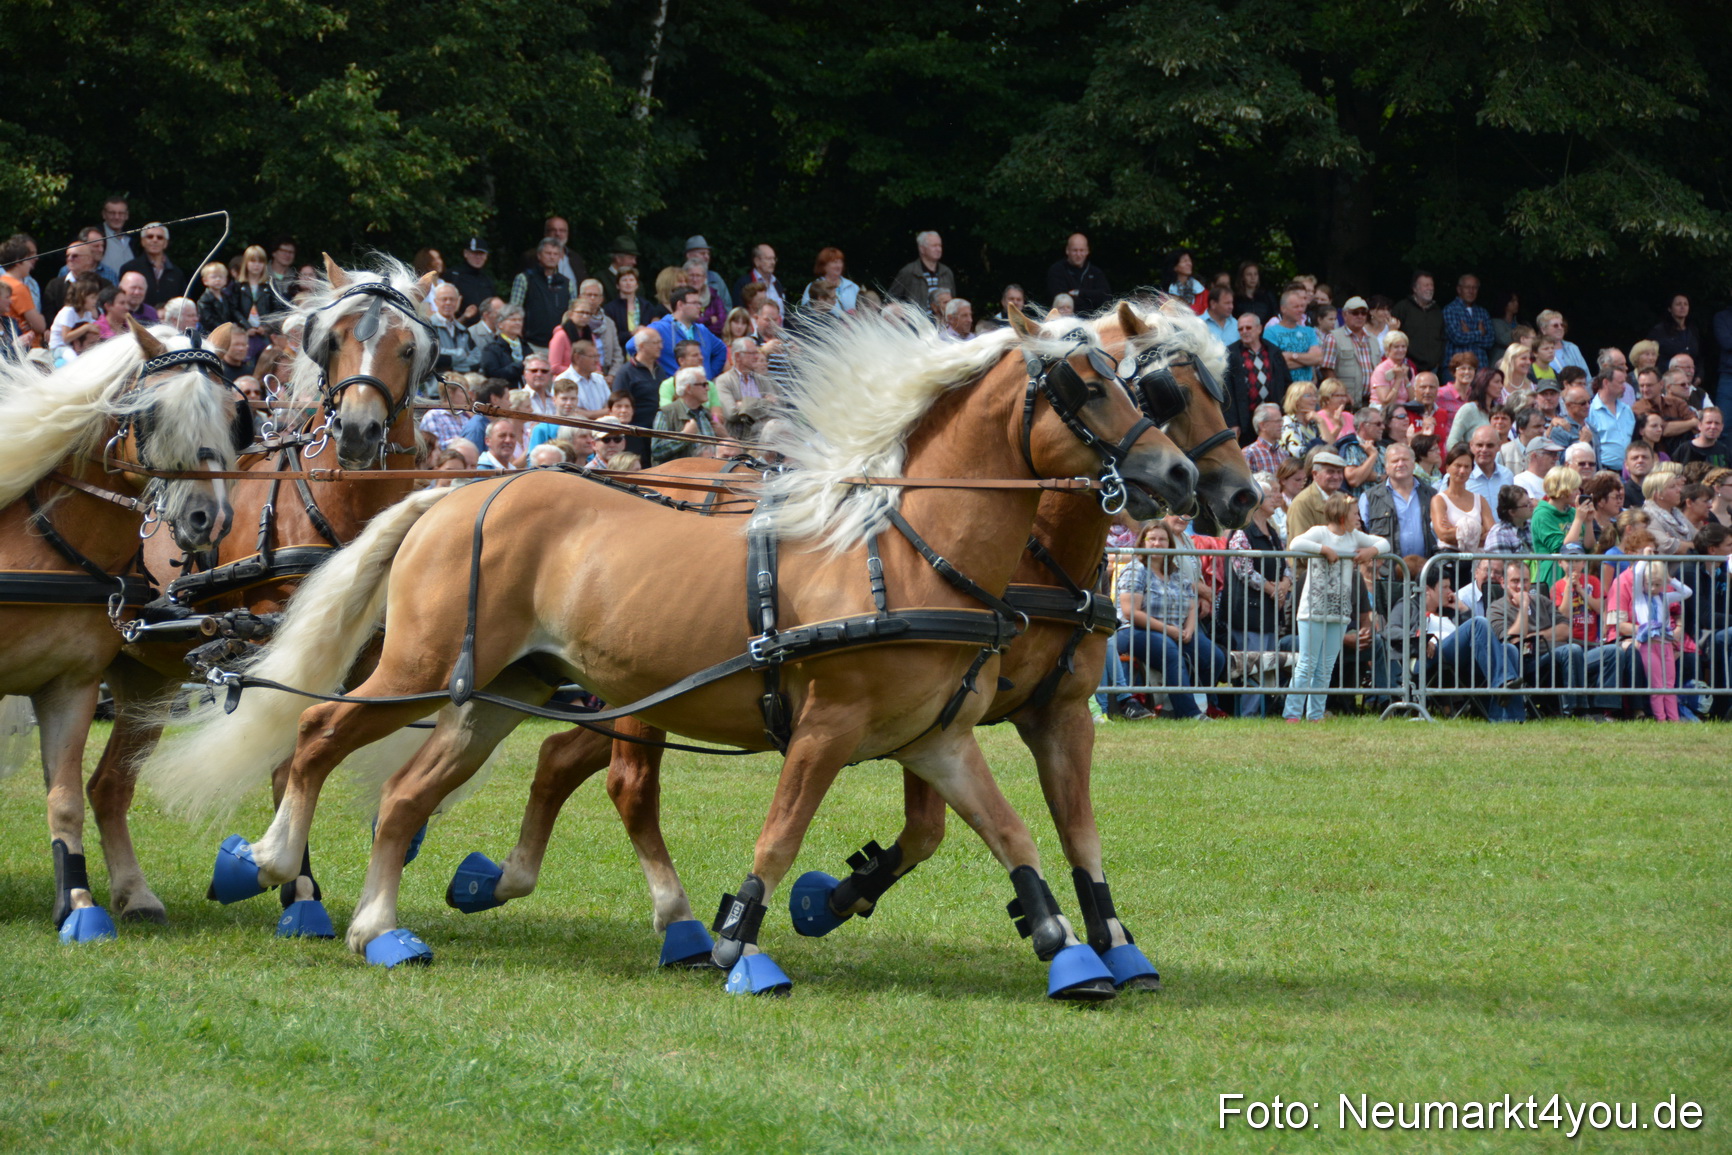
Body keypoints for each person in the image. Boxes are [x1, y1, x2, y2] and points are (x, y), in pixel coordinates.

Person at [1284, 494, 1387, 721]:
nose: (1358, 518)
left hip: (1339, 613)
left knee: (1326, 666)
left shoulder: (1354, 537)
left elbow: (1384, 543)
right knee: (1307, 663)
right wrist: (1323, 549)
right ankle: (1292, 712)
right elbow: (1295, 543)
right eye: (1354, 514)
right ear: (1342, 517)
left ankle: (1315, 714)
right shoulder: (1319, 532)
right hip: (1313, 610)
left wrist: (1371, 551)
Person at [1114, 521, 1227, 720]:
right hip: (1133, 631)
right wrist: (1168, 630)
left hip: (1174, 631)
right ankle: (1189, 713)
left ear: (1170, 544)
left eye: (1162, 539)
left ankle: (1200, 704)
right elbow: (1131, 612)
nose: (1157, 543)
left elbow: (1191, 605)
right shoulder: (1135, 570)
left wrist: (1189, 629)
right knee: (1169, 651)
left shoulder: (1176, 574)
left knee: (1214, 657)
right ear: (1143, 542)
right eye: (1152, 539)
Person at [1222, 475, 1291, 716]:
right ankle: (1248, 714)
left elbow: (1285, 563)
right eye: (1271, 495)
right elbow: (1244, 570)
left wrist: (1285, 583)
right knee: (1251, 665)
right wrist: (1273, 589)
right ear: (1256, 501)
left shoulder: (1272, 531)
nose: (1277, 498)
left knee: (1266, 663)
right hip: (1248, 614)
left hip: (1268, 611)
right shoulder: (1242, 531)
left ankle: (1262, 711)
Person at [1488, 561, 1593, 717]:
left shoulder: (1541, 600)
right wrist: (1524, 607)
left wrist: (1535, 636)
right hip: (1530, 662)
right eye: (1515, 581)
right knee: (1572, 650)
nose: (1521, 586)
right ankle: (1575, 711)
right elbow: (1514, 641)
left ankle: (1608, 711)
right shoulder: (1496, 608)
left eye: (1525, 581)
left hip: (1562, 654)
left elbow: (1566, 629)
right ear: (1503, 583)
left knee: (1612, 652)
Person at [1630, 554, 1692, 721]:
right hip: (1649, 645)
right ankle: (1661, 719)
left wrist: (1670, 579)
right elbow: (1637, 574)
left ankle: (1674, 719)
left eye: (1657, 584)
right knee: (1657, 685)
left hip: (1666, 644)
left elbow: (1687, 592)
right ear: (1643, 583)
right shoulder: (1639, 598)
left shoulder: (1664, 597)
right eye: (1649, 583)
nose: (1652, 588)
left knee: (1669, 684)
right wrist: (1645, 558)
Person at [508, 237, 572, 351]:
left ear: (559, 257)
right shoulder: (525, 279)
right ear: (539, 255)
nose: (552, 257)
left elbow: (571, 314)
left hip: (559, 345)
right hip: (531, 344)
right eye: (548, 253)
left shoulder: (567, 283)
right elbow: (514, 310)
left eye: (555, 254)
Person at [1432, 444, 1493, 557]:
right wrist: (1479, 529)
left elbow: (1492, 535)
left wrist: (1456, 531)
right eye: (1458, 466)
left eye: (1467, 466)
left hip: (1476, 562)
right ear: (1448, 468)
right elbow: (1443, 535)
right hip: (1450, 560)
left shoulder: (1480, 500)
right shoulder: (1439, 500)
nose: (1462, 471)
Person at [118, 222, 188, 307]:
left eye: (160, 237)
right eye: (150, 237)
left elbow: (182, 302)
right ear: (142, 241)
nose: (155, 240)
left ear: (165, 243)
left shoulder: (176, 273)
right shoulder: (130, 268)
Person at [1262, 286, 1322, 383]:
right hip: (1284, 388)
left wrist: (1291, 356)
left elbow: (1318, 358)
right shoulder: (1271, 332)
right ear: (1283, 309)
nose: (1300, 310)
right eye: (1296, 307)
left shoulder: (1309, 331)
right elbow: (1275, 363)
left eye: (1302, 306)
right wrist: (1308, 361)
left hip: (1307, 388)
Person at [886, 231, 955, 309]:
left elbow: (953, 304)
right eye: (934, 246)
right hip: (917, 316)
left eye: (940, 245)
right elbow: (890, 300)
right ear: (922, 249)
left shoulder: (946, 272)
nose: (938, 249)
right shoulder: (909, 272)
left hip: (941, 317)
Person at [1390, 272, 1444, 372]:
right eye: (1426, 285)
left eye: (1431, 285)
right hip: (1408, 366)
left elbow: (1442, 337)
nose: (1430, 288)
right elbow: (1393, 336)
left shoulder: (1437, 311)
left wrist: (1438, 361)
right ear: (1415, 289)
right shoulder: (1402, 308)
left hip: (1432, 368)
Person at [1046, 233, 1110, 315]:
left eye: (1082, 250)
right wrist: (1091, 298)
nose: (1078, 254)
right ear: (1067, 250)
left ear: (1087, 251)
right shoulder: (1057, 270)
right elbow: (1060, 299)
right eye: (1075, 251)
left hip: (1093, 318)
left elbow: (1106, 297)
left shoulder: (1096, 272)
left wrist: (1079, 293)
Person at [1441, 274, 1494, 367]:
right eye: (1467, 287)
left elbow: (1490, 341)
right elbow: (1458, 338)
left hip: (1480, 367)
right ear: (1459, 289)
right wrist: (1479, 333)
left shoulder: (1483, 312)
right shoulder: (1450, 310)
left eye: (1474, 288)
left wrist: (1468, 333)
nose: (1471, 291)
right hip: (1457, 369)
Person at [430, 282, 480, 373]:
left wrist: (452, 367)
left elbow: (477, 359)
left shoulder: (463, 330)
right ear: (435, 302)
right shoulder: (428, 326)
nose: (448, 303)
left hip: (463, 380)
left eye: (452, 299)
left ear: (457, 302)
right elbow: (432, 358)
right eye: (444, 299)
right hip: (437, 380)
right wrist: (461, 353)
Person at [1642, 469, 1693, 555]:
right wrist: (1694, 546)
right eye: (1672, 487)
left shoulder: (1676, 513)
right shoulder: (1648, 516)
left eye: (1677, 486)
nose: (1679, 490)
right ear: (1658, 494)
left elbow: (1698, 537)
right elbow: (1667, 545)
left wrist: (1680, 543)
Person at [801, 247, 859, 315]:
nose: (839, 266)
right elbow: (806, 312)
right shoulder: (813, 287)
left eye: (840, 262)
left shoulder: (852, 286)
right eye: (835, 262)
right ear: (823, 266)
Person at [1649, 293, 1700, 371]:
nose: (1682, 307)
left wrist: (1699, 375)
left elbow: (1699, 357)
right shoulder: (1659, 331)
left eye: (1686, 304)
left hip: (1690, 375)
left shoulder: (1693, 330)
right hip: (1666, 374)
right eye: (1678, 304)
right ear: (1670, 308)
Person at [448, 238, 495, 322]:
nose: (478, 257)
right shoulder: (454, 275)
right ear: (465, 253)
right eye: (475, 253)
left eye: (481, 254)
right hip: (459, 327)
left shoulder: (487, 280)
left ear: (486, 256)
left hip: (484, 328)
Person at [480, 304, 529, 385]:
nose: (518, 323)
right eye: (513, 320)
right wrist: (520, 365)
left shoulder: (525, 347)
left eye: (520, 320)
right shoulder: (492, 349)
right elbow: (493, 375)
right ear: (500, 324)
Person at [1278, 382, 1324, 461]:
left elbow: (1330, 445)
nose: (1314, 399)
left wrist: (1321, 421)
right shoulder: (1288, 422)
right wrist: (1320, 447)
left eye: (1315, 396)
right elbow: (1298, 453)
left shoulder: (1313, 422)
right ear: (1296, 399)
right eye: (1308, 395)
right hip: (1295, 466)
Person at [1242, 403, 1286, 474]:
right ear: (1263, 426)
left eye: (1281, 421)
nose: (1281, 425)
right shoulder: (1249, 453)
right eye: (1277, 421)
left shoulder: (1283, 453)